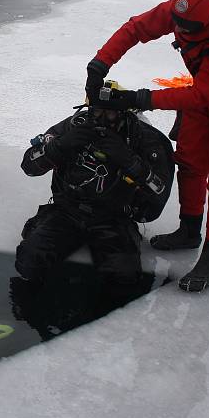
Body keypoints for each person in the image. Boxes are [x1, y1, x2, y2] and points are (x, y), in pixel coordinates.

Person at [84, 0, 209, 292]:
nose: (180, 32)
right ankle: (189, 231)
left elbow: (200, 96)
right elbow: (136, 29)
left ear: (206, 24)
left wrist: (138, 99)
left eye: (188, 29)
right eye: (177, 25)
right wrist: (99, 63)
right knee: (189, 162)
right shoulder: (181, 10)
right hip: (203, 92)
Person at [15, 87, 174, 287]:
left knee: (123, 280)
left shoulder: (143, 139)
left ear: (125, 113)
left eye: (110, 113)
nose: (103, 119)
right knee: (28, 262)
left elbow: (159, 194)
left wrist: (130, 162)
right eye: (97, 111)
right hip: (68, 211)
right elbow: (28, 166)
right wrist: (60, 146)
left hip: (113, 217)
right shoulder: (75, 125)